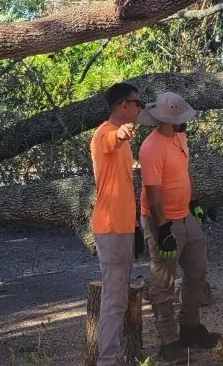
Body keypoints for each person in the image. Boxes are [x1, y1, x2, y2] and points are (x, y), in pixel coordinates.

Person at [139, 92, 219, 359]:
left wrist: (194, 201)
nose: (184, 122)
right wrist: (162, 230)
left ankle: (190, 327)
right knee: (164, 282)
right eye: (178, 119)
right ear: (162, 120)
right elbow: (152, 192)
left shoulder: (180, 137)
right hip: (163, 220)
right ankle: (168, 340)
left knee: (197, 273)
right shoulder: (151, 147)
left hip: (185, 215)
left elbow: (185, 172)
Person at [89, 83, 144, 366]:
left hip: (123, 227)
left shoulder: (123, 141)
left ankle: (116, 356)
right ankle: (108, 360)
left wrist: (135, 226)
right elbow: (112, 139)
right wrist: (121, 134)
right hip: (110, 227)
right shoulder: (104, 135)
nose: (140, 108)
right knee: (113, 300)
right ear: (124, 105)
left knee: (119, 297)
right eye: (138, 103)